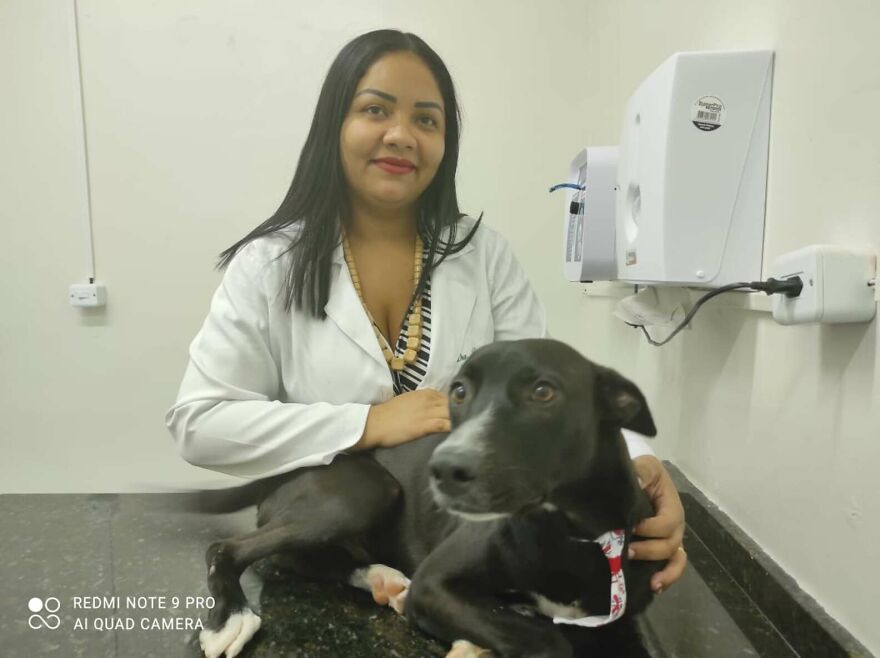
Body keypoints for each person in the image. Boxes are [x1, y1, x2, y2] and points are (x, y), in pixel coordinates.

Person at [164, 29, 686, 595]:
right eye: (375, 110)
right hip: (321, 545)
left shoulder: (483, 254)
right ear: (333, 126)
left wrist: (640, 473)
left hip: (462, 555)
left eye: (427, 120)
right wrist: (367, 423)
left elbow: (552, 390)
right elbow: (201, 425)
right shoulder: (269, 264)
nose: (401, 135)